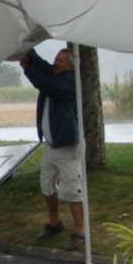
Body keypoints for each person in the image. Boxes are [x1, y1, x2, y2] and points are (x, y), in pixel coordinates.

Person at [20, 48, 85, 250]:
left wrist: (28, 70)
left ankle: (81, 232)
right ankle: (55, 223)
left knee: (72, 189)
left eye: (61, 61)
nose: (56, 62)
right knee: (46, 185)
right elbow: (42, 65)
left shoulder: (69, 81)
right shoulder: (55, 73)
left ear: (71, 65)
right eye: (56, 58)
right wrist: (27, 49)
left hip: (67, 145)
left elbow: (48, 85)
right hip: (50, 144)